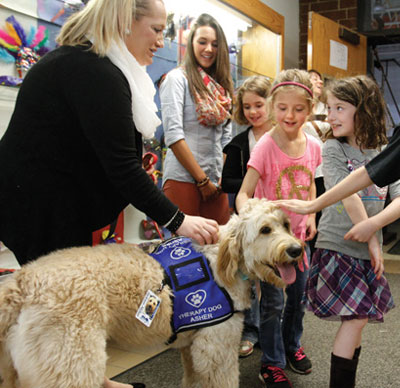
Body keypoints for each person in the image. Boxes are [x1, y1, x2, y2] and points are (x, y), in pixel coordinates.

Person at [0, 1, 219, 387]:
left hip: (49, 203)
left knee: (61, 312)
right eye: (155, 29)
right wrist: (179, 220)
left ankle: (91, 379)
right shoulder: (93, 71)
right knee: (63, 310)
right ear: (124, 22)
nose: (160, 40)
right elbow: (123, 169)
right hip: (40, 209)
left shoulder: (93, 65)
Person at [283, 75, 396, 388]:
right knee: (357, 318)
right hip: (339, 248)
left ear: (364, 109)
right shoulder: (332, 148)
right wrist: (372, 238)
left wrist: (374, 227)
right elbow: (348, 194)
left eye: (339, 108)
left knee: (356, 324)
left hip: (366, 250)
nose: (330, 115)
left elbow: (399, 199)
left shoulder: (386, 152)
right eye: (328, 108)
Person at [236, 69, 321, 388]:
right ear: (273, 107)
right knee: (272, 303)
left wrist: (312, 215)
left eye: (299, 109)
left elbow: (310, 183)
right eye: (283, 108)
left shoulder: (313, 145)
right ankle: (271, 362)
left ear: (310, 109)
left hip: (300, 240)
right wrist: (253, 219)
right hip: (273, 249)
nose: (290, 115)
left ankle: (291, 346)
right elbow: (244, 193)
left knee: (299, 300)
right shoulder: (265, 146)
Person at [160, 13, 233, 225]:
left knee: (219, 248)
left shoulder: (222, 87)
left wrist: (219, 178)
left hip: (216, 182)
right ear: (191, 43)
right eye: (202, 42)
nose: (208, 49)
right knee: (185, 251)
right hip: (183, 179)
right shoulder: (176, 79)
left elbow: (226, 139)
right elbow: (173, 136)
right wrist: (202, 181)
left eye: (215, 44)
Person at [221, 75, 272, 357]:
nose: (253, 112)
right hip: (250, 218)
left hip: (280, 223)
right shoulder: (239, 143)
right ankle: (250, 331)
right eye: (248, 107)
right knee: (250, 278)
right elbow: (226, 182)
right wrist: (250, 185)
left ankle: (276, 334)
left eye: (259, 105)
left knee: (277, 282)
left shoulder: (285, 136)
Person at [302, 69, 330, 254]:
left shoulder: (327, 105)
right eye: (314, 79)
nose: (319, 82)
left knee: (327, 217)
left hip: (329, 167)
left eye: (320, 79)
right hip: (311, 169)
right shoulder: (301, 108)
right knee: (314, 214)